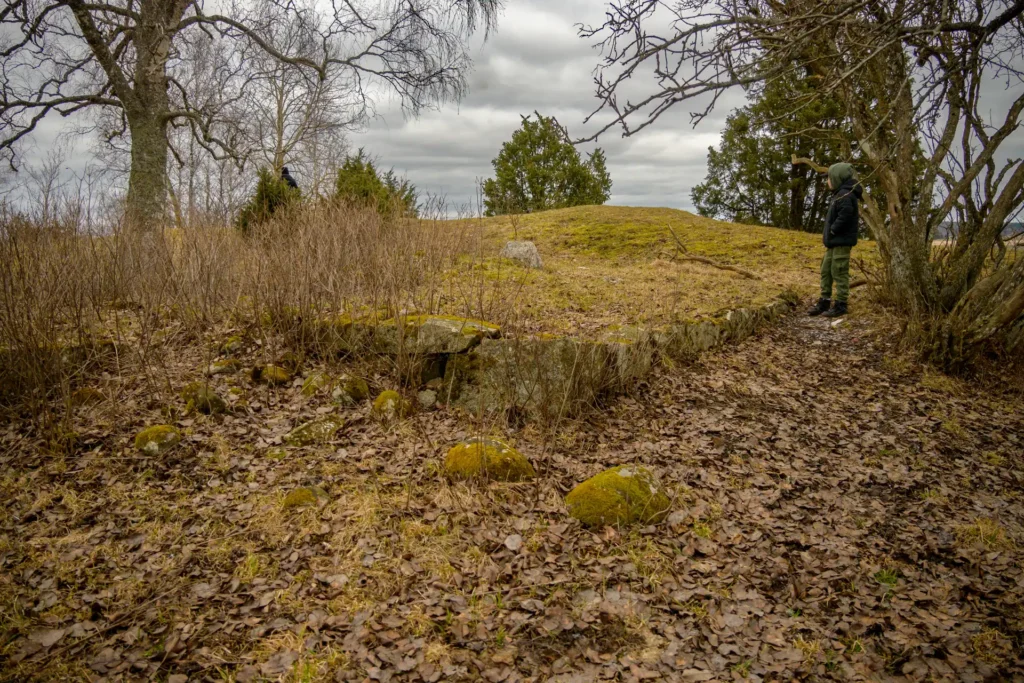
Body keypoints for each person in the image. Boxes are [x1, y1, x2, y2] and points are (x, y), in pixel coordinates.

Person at [808, 162, 862, 318]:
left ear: (838, 178)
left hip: (841, 242)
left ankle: (841, 304)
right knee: (826, 270)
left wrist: (833, 229)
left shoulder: (846, 195)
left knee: (839, 272)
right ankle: (824, 300)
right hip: (833, 243)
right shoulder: (839, 194)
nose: (827, 182)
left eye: (829, 178)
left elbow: (846, 214)